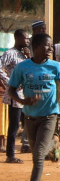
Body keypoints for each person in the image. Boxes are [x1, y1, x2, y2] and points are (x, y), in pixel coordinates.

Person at [8, 34, 60, 181]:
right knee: (39, 154)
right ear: (35, 47)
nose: (50, 49)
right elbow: (11, 90)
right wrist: (23, 101)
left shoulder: (55, 66)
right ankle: (54, 144)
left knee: (38, 155)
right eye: (47, 46)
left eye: (51, 46)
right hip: (29, 117)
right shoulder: (22, 67)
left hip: (49, 115)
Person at [1, 29, 30, 163]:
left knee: (28, 122)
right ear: (18, 38)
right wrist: (9, 82)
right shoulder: (10, 53)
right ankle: (10, 154)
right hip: (15, 94)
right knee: (14, 125)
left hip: (26, 93)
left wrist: (29, 57)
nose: (28, 41)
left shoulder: (24, 55)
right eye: (25, 38)